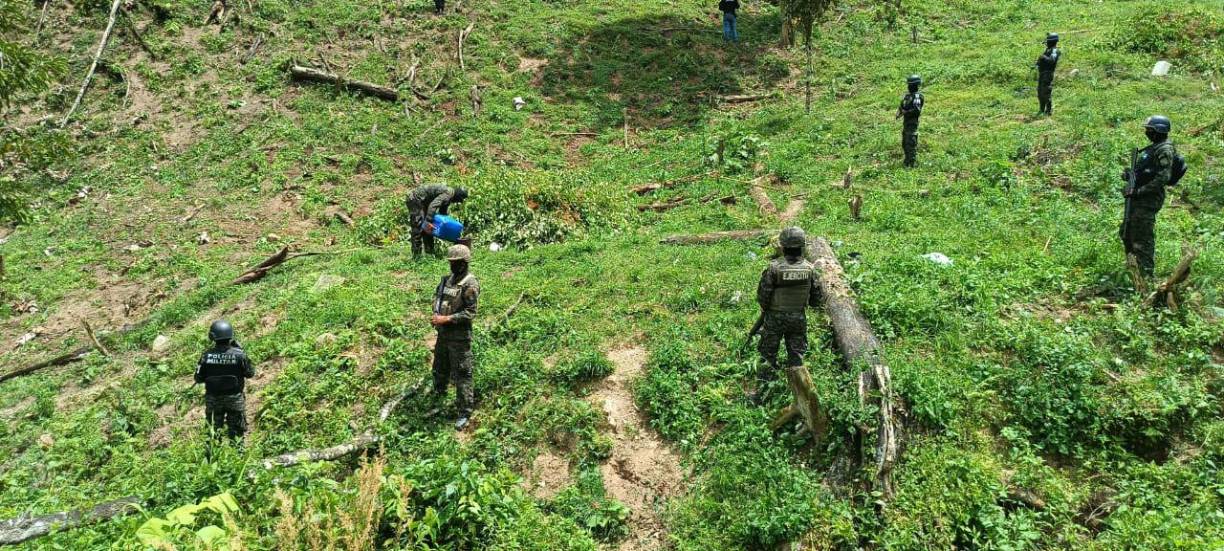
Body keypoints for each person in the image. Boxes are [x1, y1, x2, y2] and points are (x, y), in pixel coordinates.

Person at [752, 227, 819, 402]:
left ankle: (762, 394)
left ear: (782, 247)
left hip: (775, 318)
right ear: (802, 246)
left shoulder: (774, 269)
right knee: (797, 355)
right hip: (798, 318)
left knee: (768, 354)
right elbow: (816, 299)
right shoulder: (810, 269)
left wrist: (768, 310)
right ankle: (802, 394)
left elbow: (763, 296)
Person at [1120, 115, 1178, 279]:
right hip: (1138, 197)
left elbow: (1162, 178)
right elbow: (1146, 172)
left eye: (1149, 130)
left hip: (1148, 199)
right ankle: (1133, 268)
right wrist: (1130, 176)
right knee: (1126, 231)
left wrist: (1139, 191)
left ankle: (1145, 275)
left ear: (1159, 131)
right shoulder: (1153, 148)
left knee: (1142, 236)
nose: (1147, 132)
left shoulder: (1164, 149)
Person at [431, 244, 481, 430]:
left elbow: (470, 313)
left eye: (456, 263)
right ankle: (438, 396)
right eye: (451, 262)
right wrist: (436, 316)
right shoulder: (446, 281)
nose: (453, 266)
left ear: (464, 263)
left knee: (462, 373)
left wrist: (447, 318)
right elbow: (438, 300)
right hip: (443, 334)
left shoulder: (470, 284)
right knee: (439, 367)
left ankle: (465, 411)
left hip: (459, 337)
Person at [194, 320, 255, 441]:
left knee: (213, 435)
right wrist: (241, 352)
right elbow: (250, 373)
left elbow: (198, 378)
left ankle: (213, 458)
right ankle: (239, 457)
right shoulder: (240, 355)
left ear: (212, 336)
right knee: (237, 435)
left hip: (213, 401)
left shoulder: (206, 356)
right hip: (235, 400)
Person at [406, 184, 468, 258]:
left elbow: (442, 214)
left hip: (424, 202)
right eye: (459, 200)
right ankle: (417, 256)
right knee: (418, 227)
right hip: (415, 199)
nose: (457, 202)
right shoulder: (448, 194)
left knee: (428, 229)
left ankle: (430, 253)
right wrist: (428, 221)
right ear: (458, 196)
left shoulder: (449, 197)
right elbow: (433, 205)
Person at [896, 75, 924, 168]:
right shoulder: (907, 96)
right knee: (905, 143)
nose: (909, 87)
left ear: (915, 86)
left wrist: (905, 112)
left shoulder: (917, 96)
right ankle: (906, 161)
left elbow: (916, 110)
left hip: (912, 124)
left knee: (911, 143)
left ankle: (912, 164)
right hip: (906, 123)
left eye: (911, 85)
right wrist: (899, 111)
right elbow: (902, 105)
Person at [1035, 33, 1061, 116]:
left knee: (1046, 92)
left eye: (1048, 42)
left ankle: (1048, 111)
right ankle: (1041, 110)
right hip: (1042, 73)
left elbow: (1052, 61)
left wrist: (1043, 57)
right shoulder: (1048, 50)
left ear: (1052, 42)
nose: (1047, 43)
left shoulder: (1055, 51)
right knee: (1040, 92)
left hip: (1048, 74)